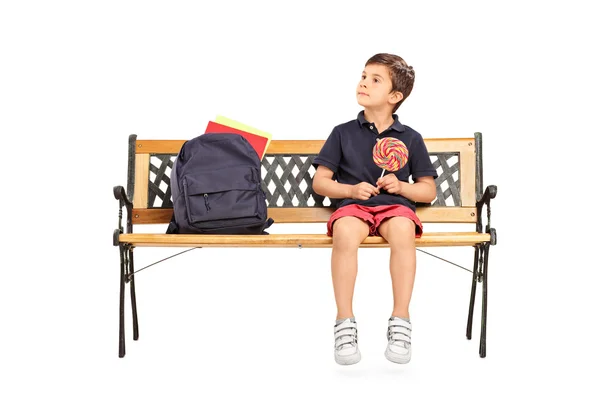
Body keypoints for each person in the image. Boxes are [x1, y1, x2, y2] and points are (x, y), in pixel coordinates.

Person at [312, 53, 438, 365]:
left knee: (403, 229)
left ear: (395, 97)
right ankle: (344, 322)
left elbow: (428, 190)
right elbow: (320, 182)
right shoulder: (343, 132)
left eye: (375, 79)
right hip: (353, 206)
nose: (363, 82)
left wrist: (403, 187)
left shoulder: (409, 138)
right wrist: (350, 190)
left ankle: (401, 320)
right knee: (344, 232)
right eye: (364, 75)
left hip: (393, 207)